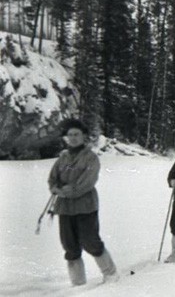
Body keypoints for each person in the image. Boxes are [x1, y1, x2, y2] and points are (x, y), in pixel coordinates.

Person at [47, 119, 119, 286]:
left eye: (76, 134)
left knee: (90, 241)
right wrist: (54, 188)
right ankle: (78, 283)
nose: (73, 138)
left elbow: (87, 182)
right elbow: (52, 179)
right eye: (70, 135)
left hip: (85, 206)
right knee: (69, 246)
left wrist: (65, 191)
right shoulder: (63, 157)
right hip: (64, 208)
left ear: (84, 136)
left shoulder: (90, 157)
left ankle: (110, 273)